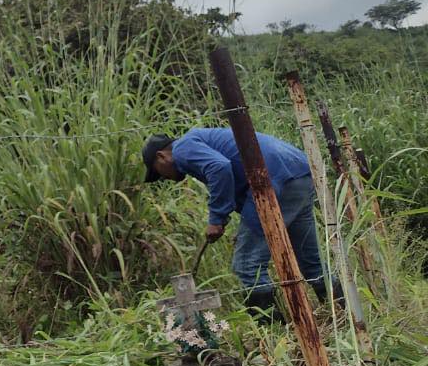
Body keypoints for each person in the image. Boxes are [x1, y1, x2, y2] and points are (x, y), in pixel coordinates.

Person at [142, 128, 335, 316]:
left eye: (159, 173)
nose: (165, 178)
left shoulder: (182, 148)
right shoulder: (200, 140)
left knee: (247, 265)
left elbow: (219, 167)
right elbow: (234, 176)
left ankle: (272, 332)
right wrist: (244, 226)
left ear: (161, 156)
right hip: (298, 174)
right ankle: (341, 313)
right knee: (311, 261)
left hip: (271, 180)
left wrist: (216, 220)